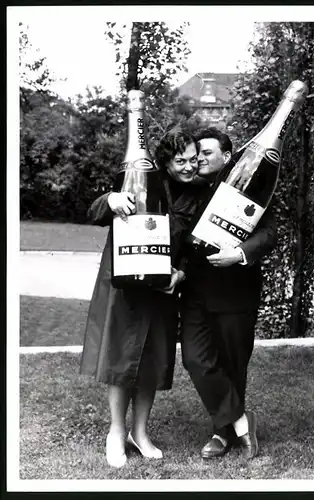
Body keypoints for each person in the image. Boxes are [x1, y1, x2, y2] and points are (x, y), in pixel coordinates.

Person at [80, 129, 207, 467]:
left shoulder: (200, 195)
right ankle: (116, 433)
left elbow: (197, 246)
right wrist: (111, 200)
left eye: (194, 160)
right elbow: (94, 212)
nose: (189, 167)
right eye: (180, 161)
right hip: (128, 291)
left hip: (163, 291)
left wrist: (181, 273)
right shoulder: (143, 182)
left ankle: (141, 432)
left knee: (151, 362)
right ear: (165, 162)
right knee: (123, 361)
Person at [179, 127, 278, 459]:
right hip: (194, 291)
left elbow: (270, 235)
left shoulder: (252, 185)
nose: (200, 159)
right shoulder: (187, 189)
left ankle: (221, 433)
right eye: (197, 154)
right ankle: (241, 423)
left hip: (237, 292)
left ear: (227, 156)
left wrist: (240, 253)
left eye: (207, 153)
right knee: (196, 359)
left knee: (234, 365)